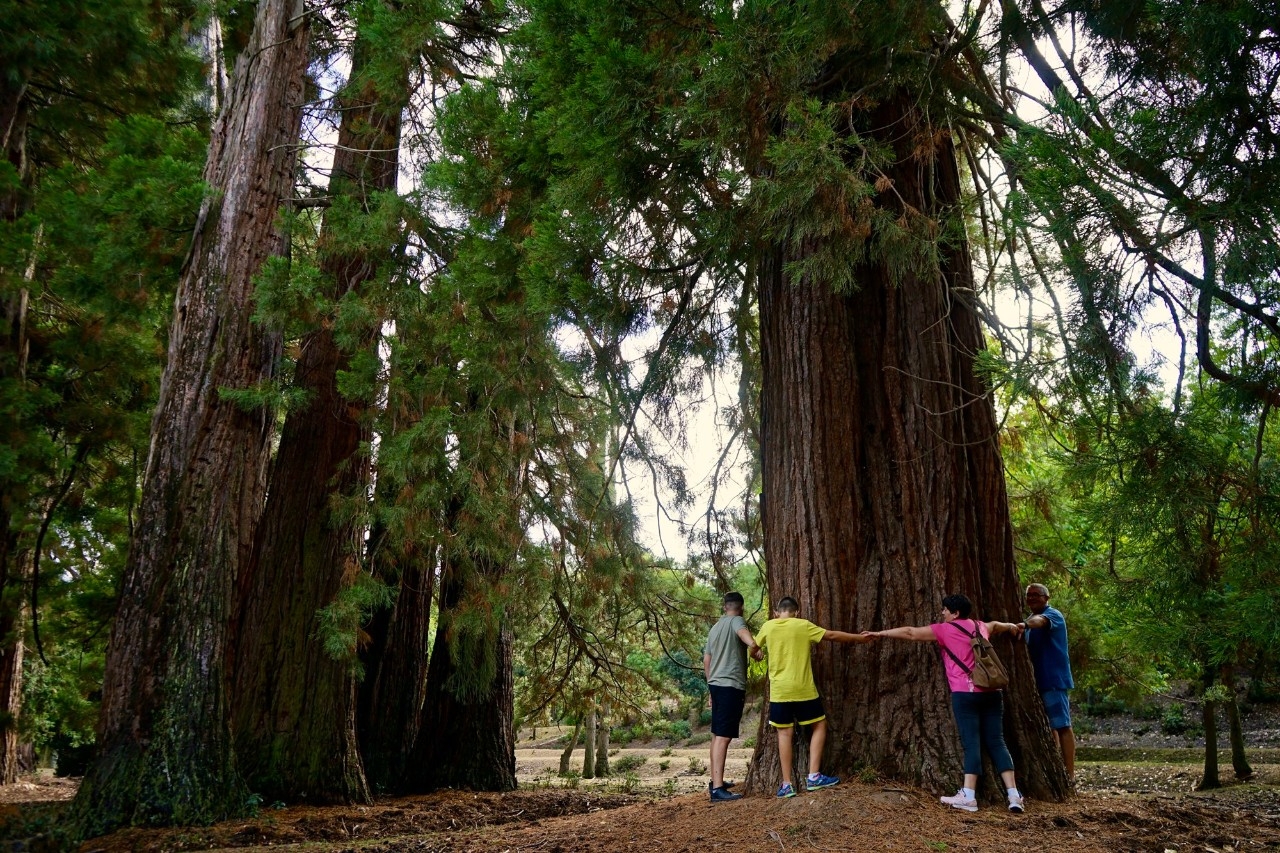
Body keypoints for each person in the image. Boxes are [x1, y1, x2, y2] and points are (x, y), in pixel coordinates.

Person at [863, 594, 1025, 813]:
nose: (942, 613)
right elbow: (997, 625)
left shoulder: (944, 630)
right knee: (997, 741)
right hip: (992, 692)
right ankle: (1014, 796)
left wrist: (879, 633)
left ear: (955, 613)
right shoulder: (980, 626)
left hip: (965, 693)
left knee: (971, 743)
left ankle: (969, 795)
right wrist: (1014, 626)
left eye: (945, 610)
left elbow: (910, 632)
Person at [752, 596, 872, 798]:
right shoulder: (803, 625)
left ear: (776, 612)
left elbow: (753, 647)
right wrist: (859, 638)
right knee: (819, 725)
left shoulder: (768, 626)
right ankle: (814, 776)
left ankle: (786, 784)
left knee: (784, 734)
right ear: (797, 612)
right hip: (803, 688)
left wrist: (754, 654)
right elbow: (832, 635)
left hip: (780, 691)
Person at [703, 591, 758, 801]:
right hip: (730, 685)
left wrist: (710, 685)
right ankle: (718, 789)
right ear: (741, 607)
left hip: (716, 684)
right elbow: (742, 632)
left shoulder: (715, 628)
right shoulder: (737, 620)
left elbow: (706, 660)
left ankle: (716, 780)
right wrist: (754, 645)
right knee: (724, 736)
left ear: (724, 606)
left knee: (717, 735)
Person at [1019, 582, 1075, 780]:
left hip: (1053, 679)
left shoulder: (1053, 615)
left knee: (1062, 725)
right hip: (1037, 681)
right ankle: (1056, 769)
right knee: (1049, 727)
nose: (1032, 598)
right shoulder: (1027, 620)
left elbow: (1040, 622)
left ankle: (1069, 775)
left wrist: (1025, 624)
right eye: (1029, 595)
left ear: (1046, 597)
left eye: (1036, 595)